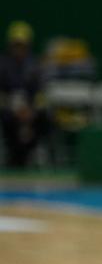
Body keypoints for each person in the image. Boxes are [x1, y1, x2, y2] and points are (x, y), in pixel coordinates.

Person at [0, 20, 49, 167]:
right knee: (8, 121)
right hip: (9, 111)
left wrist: (31, 112)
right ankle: (12, 158)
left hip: (31, 112)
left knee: (44, 119)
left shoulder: (35, 66)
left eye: (22, 45)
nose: (19, 49)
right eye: (16, 45)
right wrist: (13, 108)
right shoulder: (2, 65)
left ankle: (33, 159)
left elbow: (41, 94)